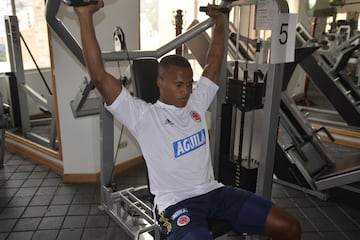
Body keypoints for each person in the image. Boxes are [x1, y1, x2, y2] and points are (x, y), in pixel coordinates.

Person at [74, 1, 301, 239]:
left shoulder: (196, 103)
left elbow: (214, 62)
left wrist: (221, 21)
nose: (186, 90)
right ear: (160, 83)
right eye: (178, 85)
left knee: (289, 226)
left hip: (214, 192)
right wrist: (84, 15)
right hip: (175, 204)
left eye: (189, 84)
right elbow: (99, 75)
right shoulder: (143, 116)